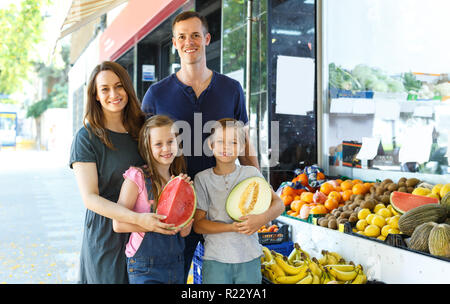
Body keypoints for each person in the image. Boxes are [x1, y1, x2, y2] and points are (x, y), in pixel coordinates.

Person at [141, 10, 259, 283]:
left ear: (207, 39)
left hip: (223, 207)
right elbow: (146, 151)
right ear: (174, 43)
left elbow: (244, 141)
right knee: (176, 277)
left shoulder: (231, 89)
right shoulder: (156, 94)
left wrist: (260, 187)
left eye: (195, 35)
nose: (188, 42)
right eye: (181, 37)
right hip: (175, 208)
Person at [70, 61, 167, 284]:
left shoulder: (144, 128)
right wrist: (138, 219)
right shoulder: (86, 138)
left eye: (119, 86)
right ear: (95, 95)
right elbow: (90, 198)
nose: (114, 94)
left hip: (146, 232)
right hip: (107, 234)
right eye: (105, 89)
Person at [193, 118, 284, 284]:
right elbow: (198, 224)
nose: (226, 147)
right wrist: (231, 227)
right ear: (211, 146)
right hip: (215, 260)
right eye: (220, 141)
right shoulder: (202, 179)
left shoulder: (251, 173)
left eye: (233, 142)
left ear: (242, 147)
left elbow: (279, 204)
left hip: (249, 258)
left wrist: (262, 219)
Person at [112, 115, 194, 284]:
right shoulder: (137, 177)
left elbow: (185, 231)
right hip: (144, 266)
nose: (166, 148)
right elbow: (118, 224)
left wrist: (188, 198)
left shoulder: (179, 180)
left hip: (175, 262)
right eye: (158, 144)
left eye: (171, 142)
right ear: (147, 147)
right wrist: (152, 226)